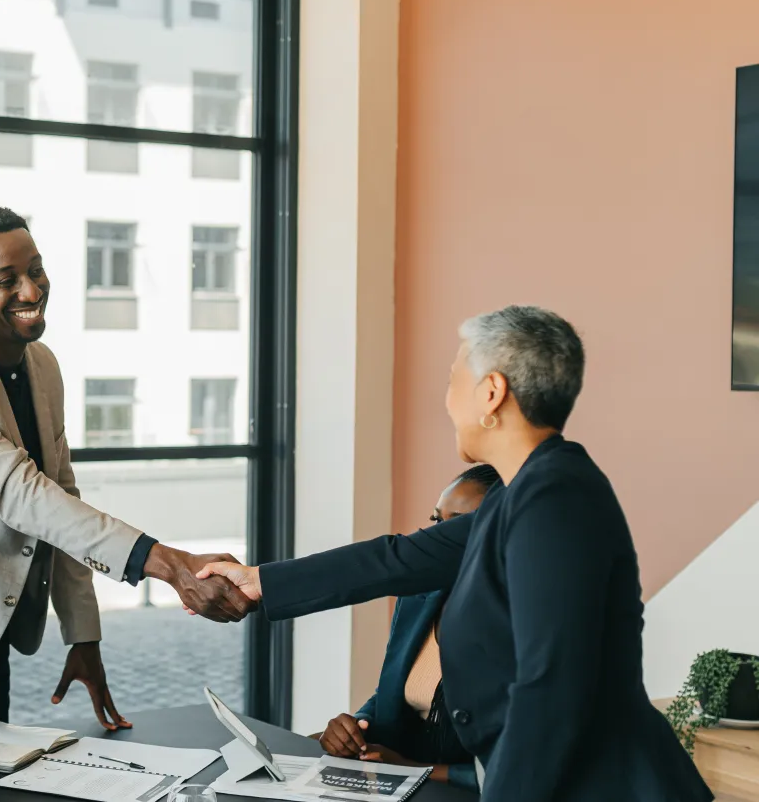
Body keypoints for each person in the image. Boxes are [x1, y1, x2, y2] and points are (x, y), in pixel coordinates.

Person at [196, 305, 712, 802]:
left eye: (452, 381)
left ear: (492, 392)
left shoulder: (556, 498)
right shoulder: (520, 494)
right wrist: (258, 580)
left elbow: (548, 693)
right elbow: (398, 558)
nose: (446, 400)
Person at [0, 205, 252, 745]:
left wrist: (84, 637)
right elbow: (24, 497)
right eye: (7, 280)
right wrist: (170, 565)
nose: (31, 291)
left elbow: (61, 496)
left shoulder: (42, 366)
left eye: (37, 270)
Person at [319, 464, 498, 790]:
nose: (435, 539)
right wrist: (357, 727)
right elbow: (398, 693)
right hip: (397, 778)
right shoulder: (419, 594)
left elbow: (535, 762)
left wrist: (413, 769)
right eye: (435, 522)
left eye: (455, 528)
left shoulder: (525, 622)